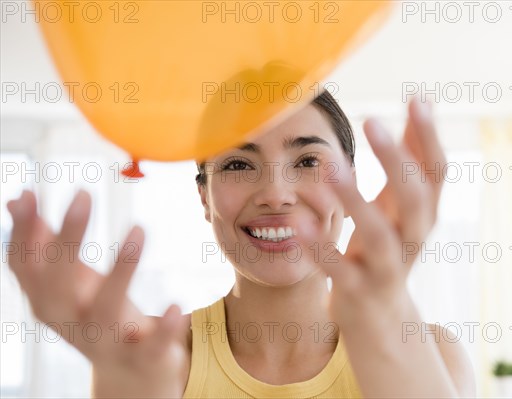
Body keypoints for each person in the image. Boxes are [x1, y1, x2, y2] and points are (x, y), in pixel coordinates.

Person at [6, 89, 476, 398]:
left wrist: (382, 319)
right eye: (236, 165)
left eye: (308, 159)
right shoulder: (154, 356)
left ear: (350, 182)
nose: (275, 193)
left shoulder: (430, 350)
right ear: (204, 198)